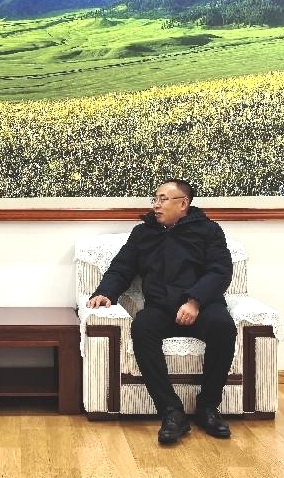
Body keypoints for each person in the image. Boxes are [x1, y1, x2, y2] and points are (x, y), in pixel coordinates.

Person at [87, 179, 237, 444]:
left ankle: (208, 407)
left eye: (163, 199)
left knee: (223, 327)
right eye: (155, 199)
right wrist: (105, 293)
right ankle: (171, 411)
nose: (156, 205)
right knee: (142, 327)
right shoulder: (143, 233)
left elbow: (220, 271)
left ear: (183, 204)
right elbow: (121, 268)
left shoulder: (208, 231)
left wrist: (194, 302)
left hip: (202, 306)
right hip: (161, 307)